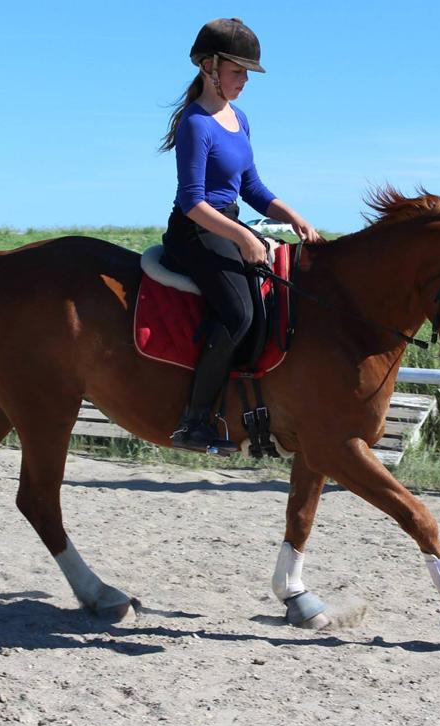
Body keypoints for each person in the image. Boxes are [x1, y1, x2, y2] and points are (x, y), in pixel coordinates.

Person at [160, 17, 321, 453]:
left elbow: (251, 187)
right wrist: (246, 239)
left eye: (247, 73)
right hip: (196, 229)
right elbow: (193, 201)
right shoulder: (196, 123)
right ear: (209, 68)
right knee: (239, 314)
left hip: (227, 223)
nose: (245, 80)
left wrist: (292, 216)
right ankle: (193, 422)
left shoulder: (239, 119)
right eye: (237, 71)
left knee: (273, 300)